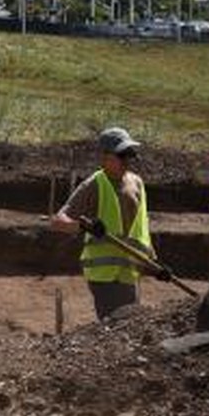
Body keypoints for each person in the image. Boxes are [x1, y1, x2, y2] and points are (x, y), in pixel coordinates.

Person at [49, 126, 160, 320]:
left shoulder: (137, 183)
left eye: (129, 154)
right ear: (105, 157)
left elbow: (141, 227)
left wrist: (154, 262)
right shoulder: (94, 184)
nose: (127, 160)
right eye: (122, 155)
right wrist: (84, 226)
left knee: (129, 326)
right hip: (105, 275)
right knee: (119, 328)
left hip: (130, 273)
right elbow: (58, 221)